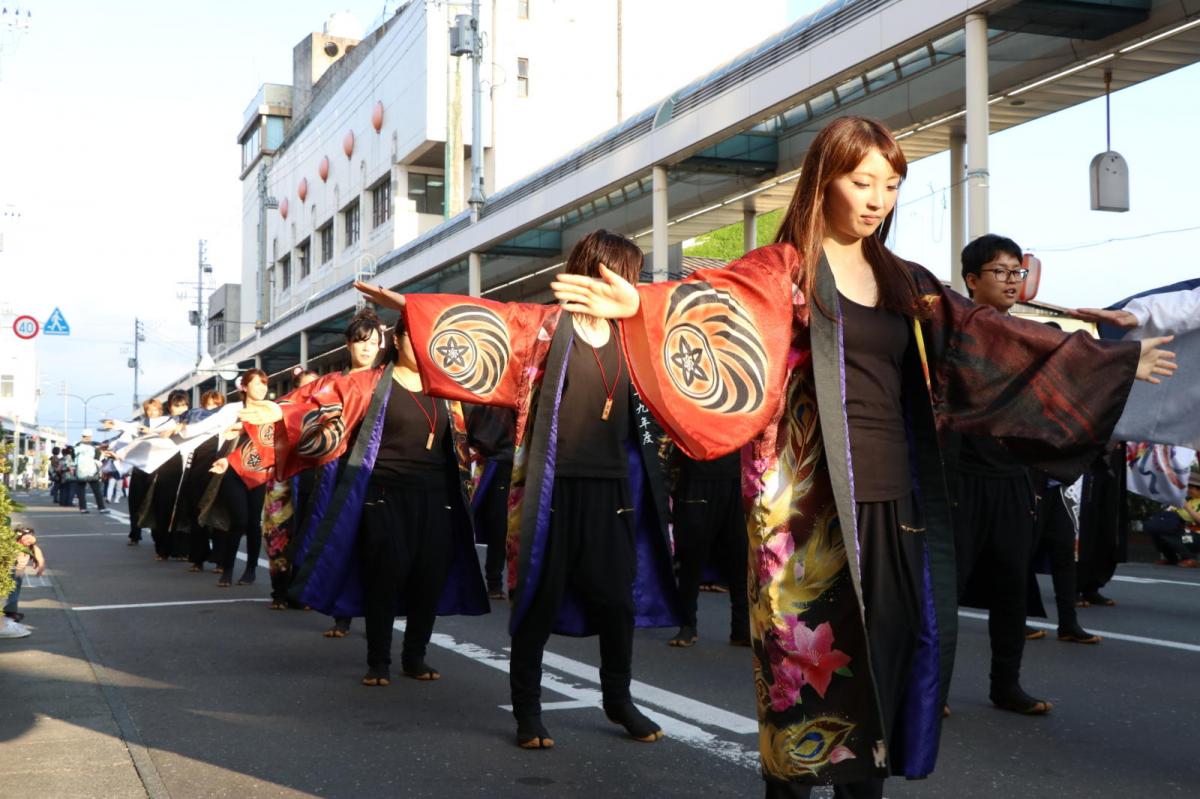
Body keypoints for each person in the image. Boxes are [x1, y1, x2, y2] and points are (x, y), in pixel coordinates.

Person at [544, 117, 1174, 796]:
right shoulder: (779, 271)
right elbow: (710, 304)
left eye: (892, 184)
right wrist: (640, 302)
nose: (878, 198)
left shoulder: (909, 282)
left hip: (893, 508)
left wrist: (1105, 362)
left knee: (877, 684)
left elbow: (993, 340)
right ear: (825, 180)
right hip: (802, 513)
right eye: (862, 180)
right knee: (800, 692)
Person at [354, 230, 682, 750]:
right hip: (549, 489)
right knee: (539, 598)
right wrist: (410, 307)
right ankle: (528, 709)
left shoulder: (636, 334)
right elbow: (486, 323)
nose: (633, 282)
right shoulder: (547, 327)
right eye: (627, 270)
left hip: (614, 490)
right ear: (601, 269)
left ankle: (618, 699)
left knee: (617, 600)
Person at [235, 310, 490, 686]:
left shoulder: (444, 387)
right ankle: (379, 661)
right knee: (384, 576)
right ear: (399, 340)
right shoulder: (370, 384)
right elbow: (320, 399)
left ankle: (414, 657)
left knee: (429, 577)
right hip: (383, 493)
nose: (419, 346)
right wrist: (279, 409)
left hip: (438, 497)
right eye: (412, 336)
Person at [669, 449, 750, 648]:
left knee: (740, 554)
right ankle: (687, 624)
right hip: (697, 473)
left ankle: (742, 629)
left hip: (739, 474)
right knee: (692, 554)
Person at [207, 372, 270, 587]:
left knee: (253, 522)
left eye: (264, 383)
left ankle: (250, 568)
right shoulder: (231, 410)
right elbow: (213, 430)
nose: (262, 388)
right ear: (243, 387)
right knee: (239, 519)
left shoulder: (270, 410)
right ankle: (228, 567)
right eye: (257, 383)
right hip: (232, 469)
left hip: (258, 471)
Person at [4, 526, 46, 624]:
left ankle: (10, 611)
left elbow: (38, 553)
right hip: (9, 571)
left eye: (30, 538)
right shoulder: (14, 545)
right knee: (11, 591)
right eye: (26, 538)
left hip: (19, 571)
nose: (28, 541)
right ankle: (9, 612)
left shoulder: (31, 546)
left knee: (15, 590)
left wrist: (40, 563)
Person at [73, 430, 108, 514]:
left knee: (81, 491)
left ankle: (83, 508)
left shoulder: (77, 446)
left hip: (80, 471)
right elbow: (98, 459)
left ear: (82, 436)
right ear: (90, 436)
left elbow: (73, 457)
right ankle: (101, 508)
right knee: (97, 490)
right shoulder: (95, 447)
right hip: (92, 471)